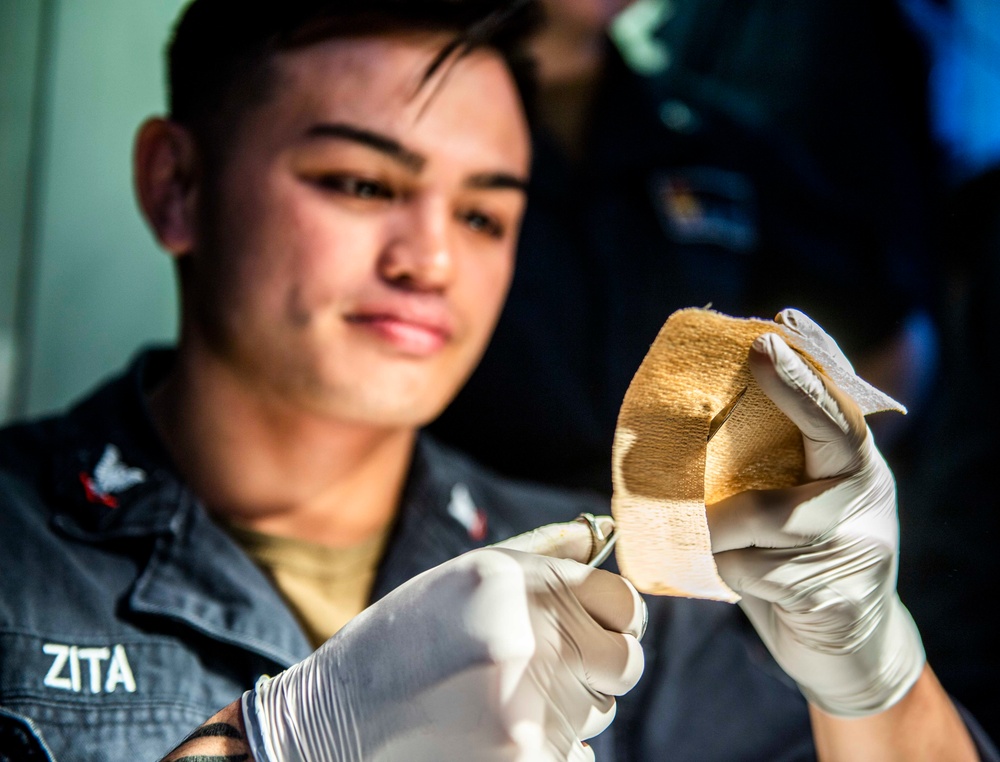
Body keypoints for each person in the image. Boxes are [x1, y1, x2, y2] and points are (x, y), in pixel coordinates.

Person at [0, 1, 994, 760]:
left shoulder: (614, 596)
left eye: (483, 215)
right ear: (177, 185)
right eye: (360, 184)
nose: (429, 259)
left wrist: (872, 675)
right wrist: (278, 742)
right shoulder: (20, 557)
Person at [429, 0, 946, 495]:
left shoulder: (711, 144)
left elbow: (887, 335)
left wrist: (782, 498)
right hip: (451, 540)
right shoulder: (414, 127)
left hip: (663, 555)